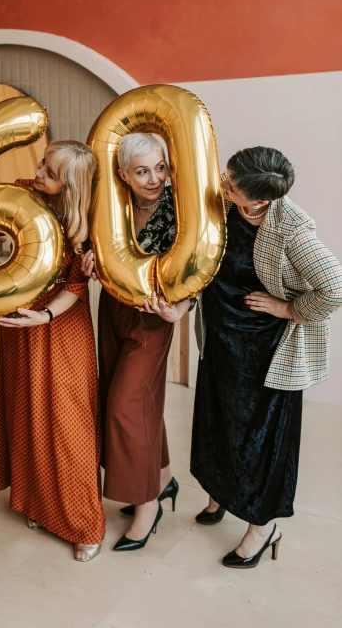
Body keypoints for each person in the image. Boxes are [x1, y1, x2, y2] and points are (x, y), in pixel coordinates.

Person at [191, 146, 342, 568]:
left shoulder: (292, 230)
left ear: (258, 200)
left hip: (263, 354)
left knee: (259, 439)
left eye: (230, 183)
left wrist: (288, 309)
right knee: (216, 420)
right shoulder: (226, 204)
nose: (221, 184)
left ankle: (263, 528)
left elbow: (335, 287)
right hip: (221, 340)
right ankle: (220, 493)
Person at [0, 140, 106, 562]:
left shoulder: (88, 223)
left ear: (72, 186)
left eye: (51, 172)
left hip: (60, 327)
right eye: (43, 164)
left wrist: (45, 317)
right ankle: (37, 503)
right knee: (25, 413)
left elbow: (77, 287)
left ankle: (83, 523)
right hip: (20, 321)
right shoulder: (22, 193)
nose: (40, 173)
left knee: (67, 422)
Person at [82, 133, 194, 552]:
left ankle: (147, 505)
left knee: (125, 405)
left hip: (153, 316)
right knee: (135, 399)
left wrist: (183, 309)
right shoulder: (113, 205)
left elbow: (203, 258)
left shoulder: (181, 207)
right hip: (112, 309)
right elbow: (96, 244)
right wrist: (90, 255)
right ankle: (163, 479)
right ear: (123, 174)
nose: (154, 179)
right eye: (143, 171)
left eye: (160, 168)